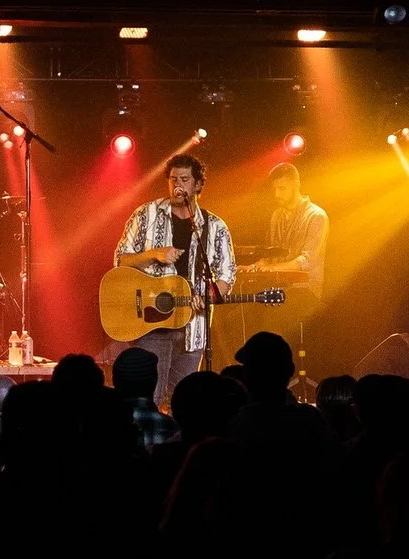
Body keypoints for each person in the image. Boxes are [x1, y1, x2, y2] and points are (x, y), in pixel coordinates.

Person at [113, 153, 235, 402]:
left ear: (199, 184)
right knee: (148, 400)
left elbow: (226, 274)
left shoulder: (216, 227)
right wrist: (153, 255)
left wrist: (208, 296)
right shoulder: (145, 215)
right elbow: (120, 261)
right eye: (172, 179)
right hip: (152, 326)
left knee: (189, 403)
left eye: (185, 179)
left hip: (194, 329)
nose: (177, 185)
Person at [240, 161, 329, 385]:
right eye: (275, 189)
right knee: (239, 312)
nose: (277, 194)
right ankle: (251, 376)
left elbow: (307, 261)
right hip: (278, 288)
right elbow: (272, 257)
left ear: (296, 184)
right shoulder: (276, 216)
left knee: (270, 315)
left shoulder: (316, 215)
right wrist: (252, 267)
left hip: (305, 290)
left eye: (282, 188)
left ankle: (277, 378)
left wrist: (270, 268)